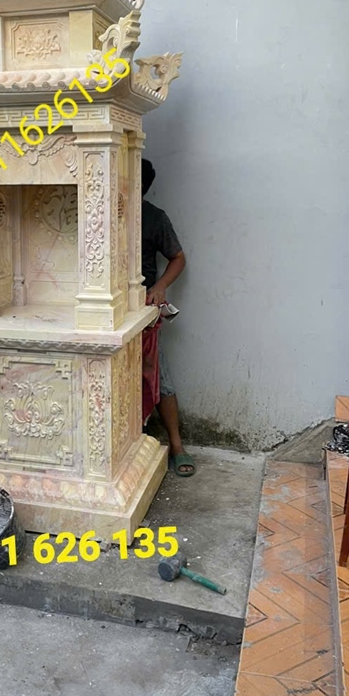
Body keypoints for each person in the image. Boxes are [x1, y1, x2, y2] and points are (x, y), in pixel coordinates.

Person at [141, 158, 195, 477]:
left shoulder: (154, 217)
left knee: (158, 376)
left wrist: (160, 286)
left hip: (142, 309)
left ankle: (176, 445)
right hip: (101, 309)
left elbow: (178, 257)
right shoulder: (98, 213)